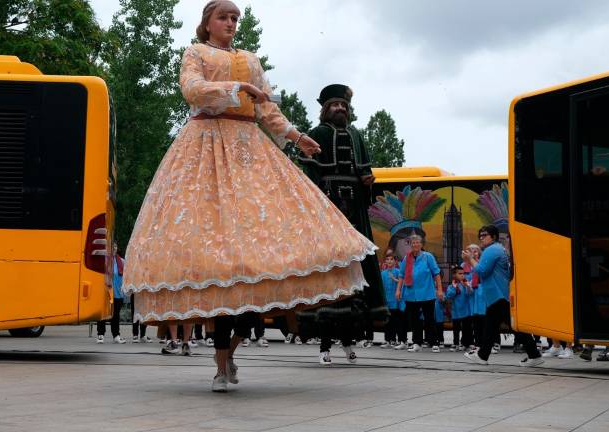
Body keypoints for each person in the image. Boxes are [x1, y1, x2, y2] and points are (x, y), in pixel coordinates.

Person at [122, 0, 376, 393]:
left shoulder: (251, 59)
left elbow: (267, 110)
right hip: (204, 148)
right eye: (224, 17)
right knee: (218, 253)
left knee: (260, 252)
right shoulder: (196, 53)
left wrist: (296, 136)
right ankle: (222, 362)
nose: (230, 23)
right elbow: (192, 91)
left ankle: (228, 355)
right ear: (207, 23)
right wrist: (237, 87)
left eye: (235, 18)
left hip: (246, 152)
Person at [298, 83, 388, 365]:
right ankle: (324, 346)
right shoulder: (317, 134)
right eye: (336, 105)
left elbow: (366, 173)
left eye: (344, 106)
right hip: (329, 207)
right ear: (326, 109)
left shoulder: (357, 135)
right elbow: (309, 174)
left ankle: (350, 342)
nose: (341, 109)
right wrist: (319, 202)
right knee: (329, 270)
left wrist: (367, 182)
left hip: (355, 212)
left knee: (357, 271)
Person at [464, 225, 543, 367]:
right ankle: (483, 355)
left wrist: (470, 259)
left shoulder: (492, 250)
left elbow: (482, 271)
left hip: (498, 295)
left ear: (493, 237)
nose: (482, 238)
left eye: (485, 235)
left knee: (512, 328)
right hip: (499, 294)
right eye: (480, 235)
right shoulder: (498, 249)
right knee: (491, 327)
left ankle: (534, 355)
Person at [396, 235, 443, 353]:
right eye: (413, 243)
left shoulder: (428, 257)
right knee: (414, 320)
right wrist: (398, 290)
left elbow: (436, 273)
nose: (415, 245)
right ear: (410, 245)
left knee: (429, 319)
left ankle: (433, 342)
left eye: (417, 242)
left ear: (421, 244)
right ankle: (417, 342)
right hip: (411, 294)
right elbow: (401, 275)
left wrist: (440, 289)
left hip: (427, 293)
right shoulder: (407, 258)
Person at [97, 249, 127, 344]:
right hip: (105, 292)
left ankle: (116, 335)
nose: (113, 248)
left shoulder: (121, 261)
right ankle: (100, 335)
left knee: (116, 315)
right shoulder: (103, 261)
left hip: (117, 293)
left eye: (115, 246)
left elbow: (125, 276)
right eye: (112, 246)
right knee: (103, 314)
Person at [381, 251, 406, 349]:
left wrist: (395, 279)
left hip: (397, 302)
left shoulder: (398, 272)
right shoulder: (382, 274)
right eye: (387, 259)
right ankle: (388, 340)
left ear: (395, 261)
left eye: (391, 259)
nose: (389, 261)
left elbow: (403, 284)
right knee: (387, 322)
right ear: (385, 262)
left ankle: (400, 341)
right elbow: (381, 287)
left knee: (397, 322)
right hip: (387, 301)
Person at [445, 265, 473, 351]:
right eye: (460, 274)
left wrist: (467, 286)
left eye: (463, 274)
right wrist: (454, 288)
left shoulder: (465, 284)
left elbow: (470, 294)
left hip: (466, 311)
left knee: (467, 328)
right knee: (456, 329)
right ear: (454, 275)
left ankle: (467, 343)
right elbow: (449, 296)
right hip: (456, 312)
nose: (462, 275)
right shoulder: (451, 286)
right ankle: (456, 343)